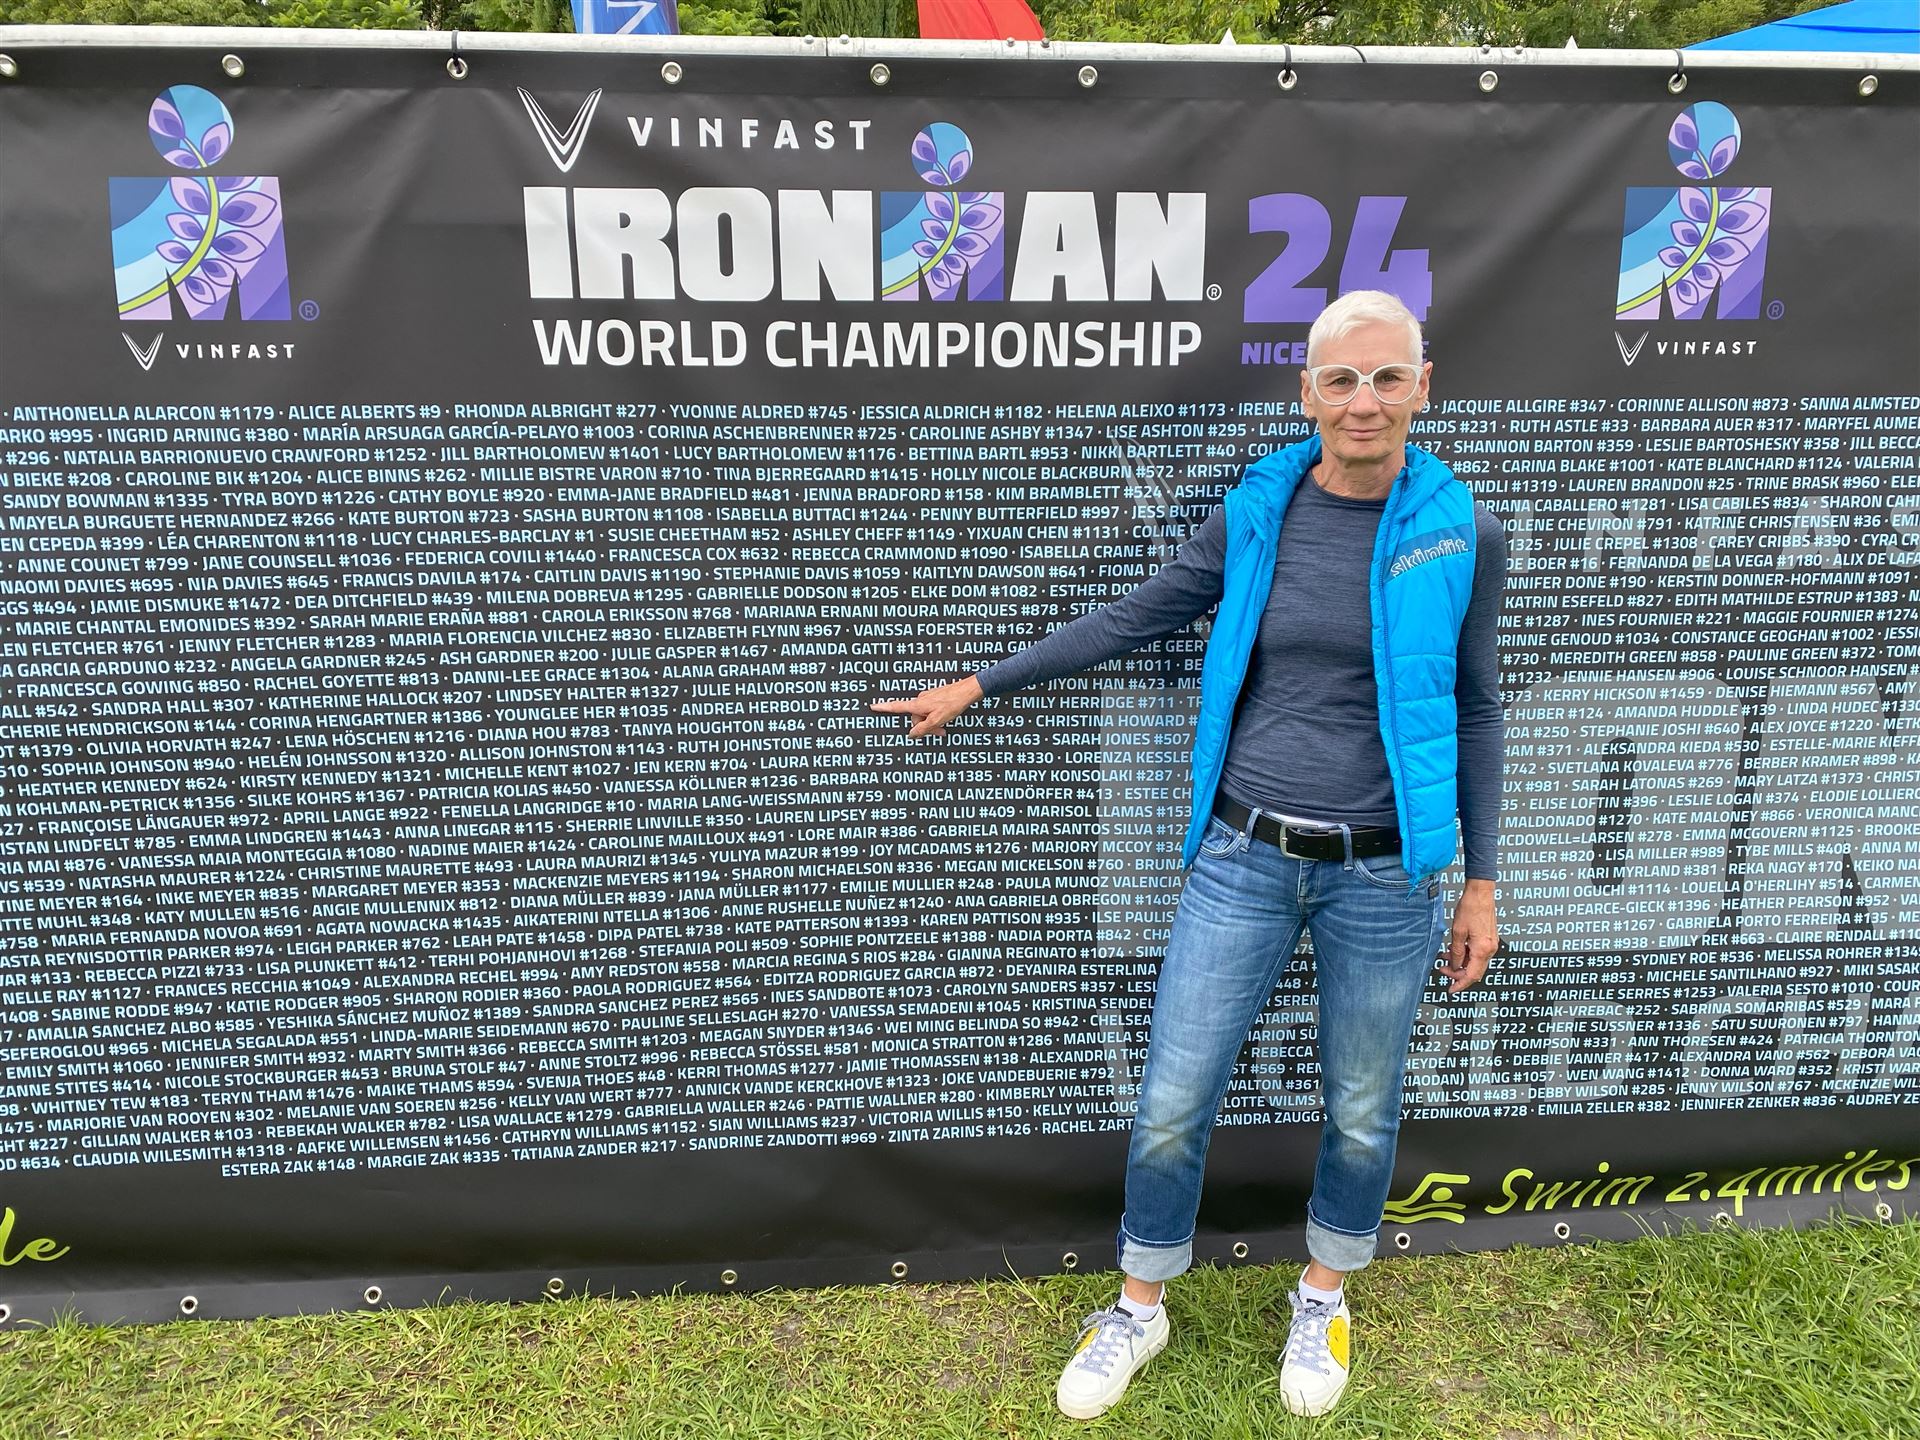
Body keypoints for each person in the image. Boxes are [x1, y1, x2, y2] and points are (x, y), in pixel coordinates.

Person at [872, 289, 1507, 1419]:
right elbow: (1135, 615)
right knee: (1172, 1096)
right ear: (1306, 393)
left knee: (1363, 1106)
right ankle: (1139, 1306)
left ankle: (1323, 1293)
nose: (1364, 400)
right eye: (1341, 379)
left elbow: (1477, 708)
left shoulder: (1464, 532)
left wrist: (1482, 884)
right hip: (1242, 858)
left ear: (1424, 387)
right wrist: (981, 683)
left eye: (1386, 377)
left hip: (1387, 875)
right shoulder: (1257, 512)